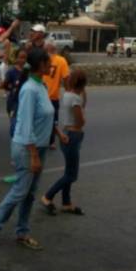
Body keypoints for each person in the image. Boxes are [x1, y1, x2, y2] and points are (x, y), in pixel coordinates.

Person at [0, 48, 54, 251]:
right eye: (48, 62)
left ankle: (22, 232)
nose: (51, 65)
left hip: (40, 146)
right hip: (27, 148)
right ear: (39, 65)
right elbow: (26, 125)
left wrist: (57, 133)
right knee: (19, 191)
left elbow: (46, 115)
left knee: (29, 193)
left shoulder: (42, 86)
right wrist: (33, 155)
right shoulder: (30, 89)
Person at [41, 69, 87, 216]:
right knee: (72, 175)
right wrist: (83, 119)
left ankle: (66, 202)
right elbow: (80, 121)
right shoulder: (75, 99)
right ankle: (48, 196)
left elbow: (82, 103)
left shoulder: (67, 95)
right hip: (73, 135)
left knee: (69, 171)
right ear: (83, 84)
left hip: (67, 133)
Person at [42, 39, 71, 149]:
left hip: (46, 95)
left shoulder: (44, 58)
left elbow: (66, 78)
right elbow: (66, 78)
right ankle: (51, 141)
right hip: (52, 97)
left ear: (48, 48)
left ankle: (48, 140)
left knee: (47, 119)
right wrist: (68, 93)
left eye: (45, 47)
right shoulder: (61, 60)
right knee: (53, 120)